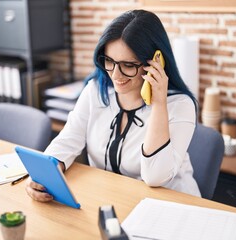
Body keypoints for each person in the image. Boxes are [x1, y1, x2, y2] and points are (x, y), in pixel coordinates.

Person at [26, 9, 201, 202]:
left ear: (155, 62)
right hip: (116, 202)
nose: (116, 75)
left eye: (128, 65)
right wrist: (46, 175)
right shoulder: (96, 90)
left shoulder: (180, 105)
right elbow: (68, 140)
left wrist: (159, 103)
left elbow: (154, 176)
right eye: (109, 61)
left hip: (172, 207)